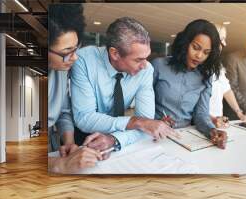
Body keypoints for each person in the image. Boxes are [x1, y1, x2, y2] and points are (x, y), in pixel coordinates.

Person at [70, 17, 177, 158]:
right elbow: (84, 118)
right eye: (138, 59)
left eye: (146, 57)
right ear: (115, 53)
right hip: (85, 138)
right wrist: (136, 121)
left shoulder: (146, 70)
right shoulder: (83, 60)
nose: (145, 65)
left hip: (123, 139)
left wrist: (115, 139)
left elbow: (146, 123)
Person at [152, 19, 228, 149]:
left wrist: (211, 130)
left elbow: (201, 114)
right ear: (185, 43)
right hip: (154, 135)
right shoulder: (158, 65)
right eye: (196, 47)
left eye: (206, 52)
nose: (199, 56)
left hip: (184, 139)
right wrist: (153, 121)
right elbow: (142, 105)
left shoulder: (206, 76)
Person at [47, 4, 101, 173]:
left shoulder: (61, 70)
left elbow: (63, 112)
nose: (75, 57)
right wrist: (60, 164)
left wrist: (69, 143)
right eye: (67, 51)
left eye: (76, 48)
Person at [209, 24, 246, 128]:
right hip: (204, 121)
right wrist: (212, 119)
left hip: (218, 121)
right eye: (222, 39)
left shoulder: (217, 65)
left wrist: (240, 114)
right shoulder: (198, 66)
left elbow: (227, 90)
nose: (225, 43)